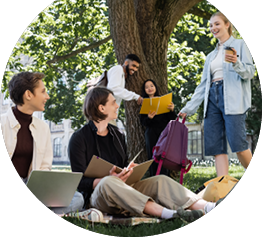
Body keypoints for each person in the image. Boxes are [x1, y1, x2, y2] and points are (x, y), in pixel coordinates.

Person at [68, 86, 218, 222]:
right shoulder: (79, 138)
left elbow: (121, 165)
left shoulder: (118, 135)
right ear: (101, 108)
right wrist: (105, 179)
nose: (117, 106)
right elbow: (78, 181)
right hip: (98, 197)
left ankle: (208, 207)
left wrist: (128, 170)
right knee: (108, 182)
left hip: (124, 188)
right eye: (113, 102)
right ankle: (168, 213)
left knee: (161, 180)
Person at [179, 12, 255, 177]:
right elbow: (203, 86)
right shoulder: (210, 56)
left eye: (217, 24)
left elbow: (250, 73)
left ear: (227, 24)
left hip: (233, 100)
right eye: (211, 25)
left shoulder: (240, 45)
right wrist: (189, 108)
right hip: (211, 99)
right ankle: (222, 185)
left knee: (239, 145)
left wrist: (236, 62)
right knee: (216, 147)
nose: (213, 28)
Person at [1, 71, 84, 215]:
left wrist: (46, 187)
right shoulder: (2, 123)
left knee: (77, 198)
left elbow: (45, 167)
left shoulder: (43, 128)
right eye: (43, 91)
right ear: (28, 95)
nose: (47, 96)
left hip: (31, 188)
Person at [139, 79, 177, 177]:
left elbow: (172, 119)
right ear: (144, 90)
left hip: (164, 132)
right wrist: (149, 118)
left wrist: (172, 110)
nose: (150, 88)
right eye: (146, 87)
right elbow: (143, 122)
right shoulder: (144, 103)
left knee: (165, 156)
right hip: (151, 133)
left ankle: (165, 179)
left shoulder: (164, 101)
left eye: (151, 86)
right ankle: (154, 179)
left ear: (155, 87)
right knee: (152, 157)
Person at [107, 54, 143, 123]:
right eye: (133, 65)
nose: (135, 69)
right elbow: (113, 88)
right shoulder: (118, 69)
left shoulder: (122, 74)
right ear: (126, 63)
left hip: (110, 115)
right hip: (105, 114)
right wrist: (136, 96)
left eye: (137, 67)